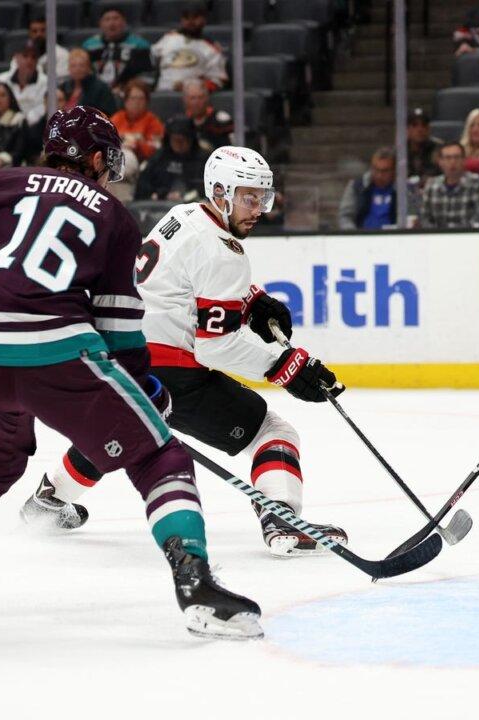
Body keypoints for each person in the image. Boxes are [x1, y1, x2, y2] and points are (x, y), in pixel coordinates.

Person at [0, 106, 263, 639]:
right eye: (110, 162)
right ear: (99, 157)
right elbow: (118, 328)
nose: (111, 174)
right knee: (156, 453)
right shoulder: (112, 213)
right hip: (53, 351)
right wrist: (146, 388)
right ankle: (196, 584)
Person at [22, 145, 349, 558]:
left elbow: (182, 285)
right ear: (220, 192)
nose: (259, 209)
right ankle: (282, 518)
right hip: (173, 373)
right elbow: (215, 347)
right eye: (250, 197)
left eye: (263, 197)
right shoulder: (226, 253)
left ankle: (48, 500)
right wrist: (285, 366)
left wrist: (250, 301)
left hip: (123, 358)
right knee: (275, 432)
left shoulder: (185, 217)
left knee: (119, 430)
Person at [152, 2, 227, 92]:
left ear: (204, 19)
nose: (190, 22)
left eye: (195, 17)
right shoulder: (169, 38)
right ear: (181, 20)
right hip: (162, 93)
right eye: (186, 17)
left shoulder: (211, 48)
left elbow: (218, 81)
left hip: (192, 97)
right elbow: (150, 58)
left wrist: (192, 87)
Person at [110, 78, 164, 201]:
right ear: (126, 100)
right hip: (115, 164)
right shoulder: (117, 118)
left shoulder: (153, 122)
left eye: (141, 98)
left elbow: (156, 149)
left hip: (139, 167)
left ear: (147, 101)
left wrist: (137, 144)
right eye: (133, 98)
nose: (137, 102)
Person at [135, 116, 208, 201]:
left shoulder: (203, 160)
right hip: (159, 206)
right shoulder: (158, 158)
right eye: (175, 140)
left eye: (182, 140)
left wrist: (188, 195)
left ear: (191, 139)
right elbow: (142, 187)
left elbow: (208, 188)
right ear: (169, 139)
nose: (179, 144)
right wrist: (161, 194)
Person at [83, 5, 154, 90]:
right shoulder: (89, 46)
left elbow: (147, 76)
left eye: (116, 18)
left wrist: (127, 89)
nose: (111, 23)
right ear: (100, 24)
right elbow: (81, 74)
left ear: (124, 22)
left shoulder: (139, 45)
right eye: (107, 19)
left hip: (128, 94)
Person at [419, 141, 479, 228]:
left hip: (468, 237)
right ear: (440, 161)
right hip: (437, 238)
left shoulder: (476, 182)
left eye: (457, 157)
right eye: (448, 158)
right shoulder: (431, 185)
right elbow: (424, 217)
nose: (452, 162)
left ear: (464, 160)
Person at [338, 146, 396, 230]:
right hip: (361, 238)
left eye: (385, 171)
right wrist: (353, 235)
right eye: (376, 170)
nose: (379, 175)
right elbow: (345, 216)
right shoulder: (357, 187)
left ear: (394, 171)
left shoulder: (402, 189)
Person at [0, 43, 49, 129]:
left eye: (33, 57)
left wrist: (20, 121)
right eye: (25, 56)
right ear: (16, 58)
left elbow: (41, 111)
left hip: (33, 130)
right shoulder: (0, 80)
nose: (29, 60)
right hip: (1, 126)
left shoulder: (46, 83)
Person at [59, 48, 118, 116]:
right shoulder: (63, 87)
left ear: (88, 67)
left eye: (81, 65)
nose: (77, 69)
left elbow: (108, 114)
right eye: (73, 66)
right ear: (69, 68)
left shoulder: (101, 88)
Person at [15, 11, 70, 80]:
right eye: (34, 31)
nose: (39, 34)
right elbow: (16, 78)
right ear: (29, 34)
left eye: (43, 30)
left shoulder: (62, 54)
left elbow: (60, 81)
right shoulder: (21, 55)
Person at [184, 78, 233, 154]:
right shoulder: (181, 122)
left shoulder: (222, 120)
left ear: (207, 99)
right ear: (185, 100)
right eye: (192, 98)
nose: (197, 102)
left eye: (200, 97)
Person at [406, 108, 441, 186]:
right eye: (414, 125)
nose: (420, 129)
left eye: (424, 125)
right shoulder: (400, 151)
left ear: (429, 128)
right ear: (407, 129)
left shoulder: (439, 149)